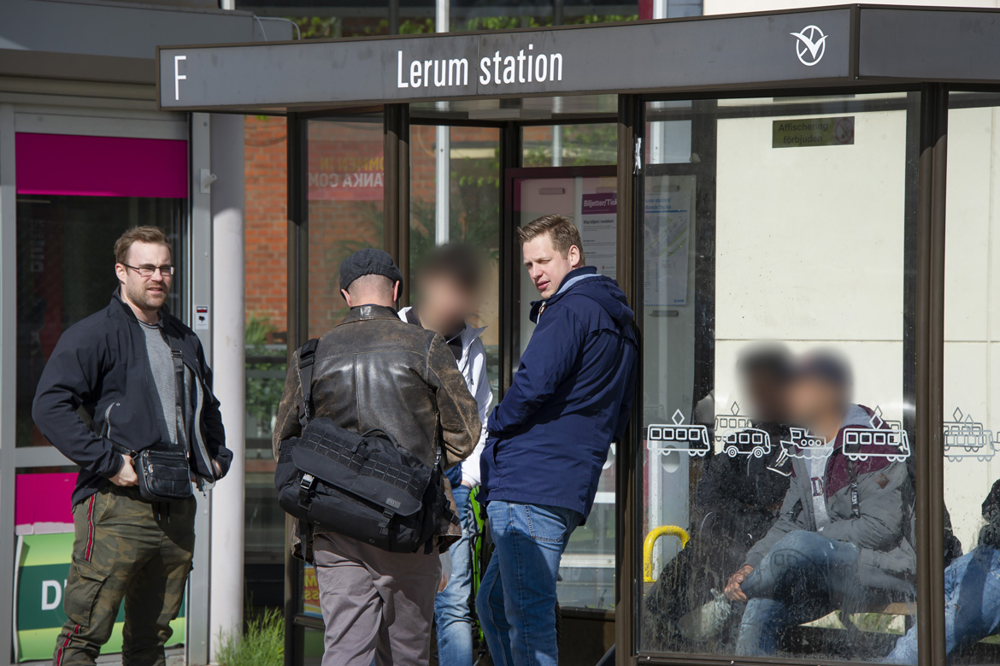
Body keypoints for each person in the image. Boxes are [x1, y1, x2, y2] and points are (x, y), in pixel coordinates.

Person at [32, 226, 231, 666]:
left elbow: (207, 407)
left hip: (176, 508)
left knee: (151, 642)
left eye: (165, 268)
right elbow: (49, 407)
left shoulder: (184, 338)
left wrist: (215, 459)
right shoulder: (94, 334)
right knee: (84, 635)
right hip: (115, 507)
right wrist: (109, 463)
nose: (158, 276)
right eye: (147, 268)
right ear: (122, 272)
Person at [273, 249, 481, 666]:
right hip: (407, 522)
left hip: (334, 525)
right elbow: (466, 432)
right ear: (397, 291)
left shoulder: (310, 357)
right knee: (406, 655)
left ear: (345, 295)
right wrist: (419, 464)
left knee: (345, 652)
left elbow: (285, 444)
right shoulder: (426, 346)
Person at [477, 215, 639, 666]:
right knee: (494, 605)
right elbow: (620, 411)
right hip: (561, 482)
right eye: (529, 265)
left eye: (543, 261)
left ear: (573, 254)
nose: (535, 273)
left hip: (532, 485)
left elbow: (531, 385)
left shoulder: (570, 309)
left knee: (529, 622)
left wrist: (495, 425)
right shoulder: (615, 315)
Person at [723, 350, 915, 657]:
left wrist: (815, 542)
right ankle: (748, 589)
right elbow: (789, 521)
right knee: (760, 606)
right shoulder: (805, 445)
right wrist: (750, 564)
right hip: (826, 570)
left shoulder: (868, 439)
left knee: (800, 543)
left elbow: (882, 528)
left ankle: (729, 598)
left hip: (881, 567)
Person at [643, 344, 794, 650]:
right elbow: (706, 498)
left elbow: (783, 508)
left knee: (734, 614)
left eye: (764, 386)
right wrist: (751, 508)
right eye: (752, 387)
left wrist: (743, 507)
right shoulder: (740, 442)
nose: (757, 395)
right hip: (714, 549)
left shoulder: (799, 444)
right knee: (656, 606)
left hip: (760, 557)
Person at [400, 244, 493, 666]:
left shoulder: (471, 345)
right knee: (394, 601)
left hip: (452, 488)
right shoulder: (396, 330)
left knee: (454, 605)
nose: (459, 302)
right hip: (397, 485)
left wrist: (468, 477)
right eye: (452, 289)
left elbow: (481, 417)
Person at [885, 477, 1000, 664]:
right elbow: (989, 505)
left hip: (990, 572)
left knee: (921, 644)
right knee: (924, 631)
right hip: (979, 557)